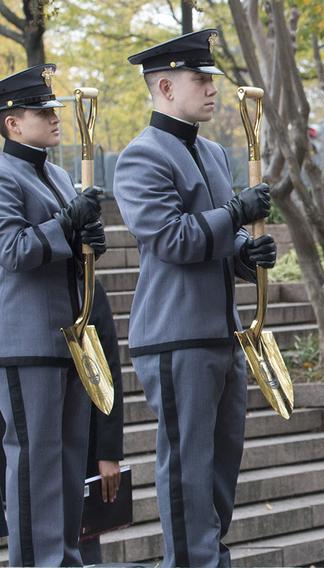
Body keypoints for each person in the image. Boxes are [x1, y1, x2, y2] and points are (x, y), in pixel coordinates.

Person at [114, 29, 277, 567]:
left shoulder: (210, 150)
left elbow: (213, 242)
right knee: (187, 469)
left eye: (211, 79)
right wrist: (235, 214)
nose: (212, 89)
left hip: (218, 330)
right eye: (200, 79)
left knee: (220, 468)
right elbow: (173, 239)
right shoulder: (141, 156)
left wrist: (241, 257)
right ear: (164, 86)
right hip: (175, 334)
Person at [0, 63, 106, 566]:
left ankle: (63, 559)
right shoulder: (2, 175)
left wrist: (87, 242)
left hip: (71, 334)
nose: (53, 117)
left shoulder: (59, 172)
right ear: (11, 123)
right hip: (28, 339)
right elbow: (14, 250)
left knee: (67, 464)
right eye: (40, 111)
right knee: (35, 462)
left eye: (53, 108)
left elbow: (66, 244)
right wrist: (68, 224)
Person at [78, 280, 124, 564]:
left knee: (86, 546)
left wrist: (108, 451)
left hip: (84, 446)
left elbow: (108, 373)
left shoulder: (87, 287)